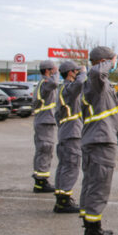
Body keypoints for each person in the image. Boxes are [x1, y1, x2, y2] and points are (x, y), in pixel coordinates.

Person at [80, 46, 118, 235]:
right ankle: (93, 231)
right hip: (100, 141)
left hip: (97, 139)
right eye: (113, 61)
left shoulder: (98, 83)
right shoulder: (96, 80)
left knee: (92, 183)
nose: (114, 64)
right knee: (99, 185)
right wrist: (107, 62)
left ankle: (91, 225)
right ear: (104, 61)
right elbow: (97, 70)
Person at [53, 60, 86, 213]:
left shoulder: (64, 88)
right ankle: (64, 201)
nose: (78, 73)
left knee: (64, 166)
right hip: (72, 133)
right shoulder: (68, 88)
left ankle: (62, 197)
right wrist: (84, 73)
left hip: (67, 132)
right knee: (71, 166)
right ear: (70, 72)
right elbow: (79, 84)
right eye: (76, 71)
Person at [32, 60, 59, 193]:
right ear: (48, 70)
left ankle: (40, 180)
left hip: (43, 121)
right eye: (54, 69)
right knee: (45, 150)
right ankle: (41, 182)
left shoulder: (43, 83)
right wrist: (57, 73)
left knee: (42, 150)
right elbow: (55, 83)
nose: (56, 71)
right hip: (45, 122)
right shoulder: (47, 82)